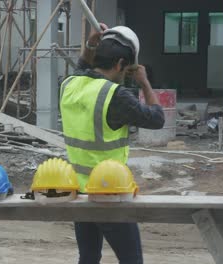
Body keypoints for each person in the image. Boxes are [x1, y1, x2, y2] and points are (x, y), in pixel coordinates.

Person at [59, 23, 165, 264]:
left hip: (80, 194)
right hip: (110, 194)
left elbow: (82, 66)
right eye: (125, 69)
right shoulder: (115, 95)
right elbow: (157, 119)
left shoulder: (69, 85)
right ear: (119, 64)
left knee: (88, 258)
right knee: (131, 260)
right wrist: (144, 83)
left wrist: (89, 45)